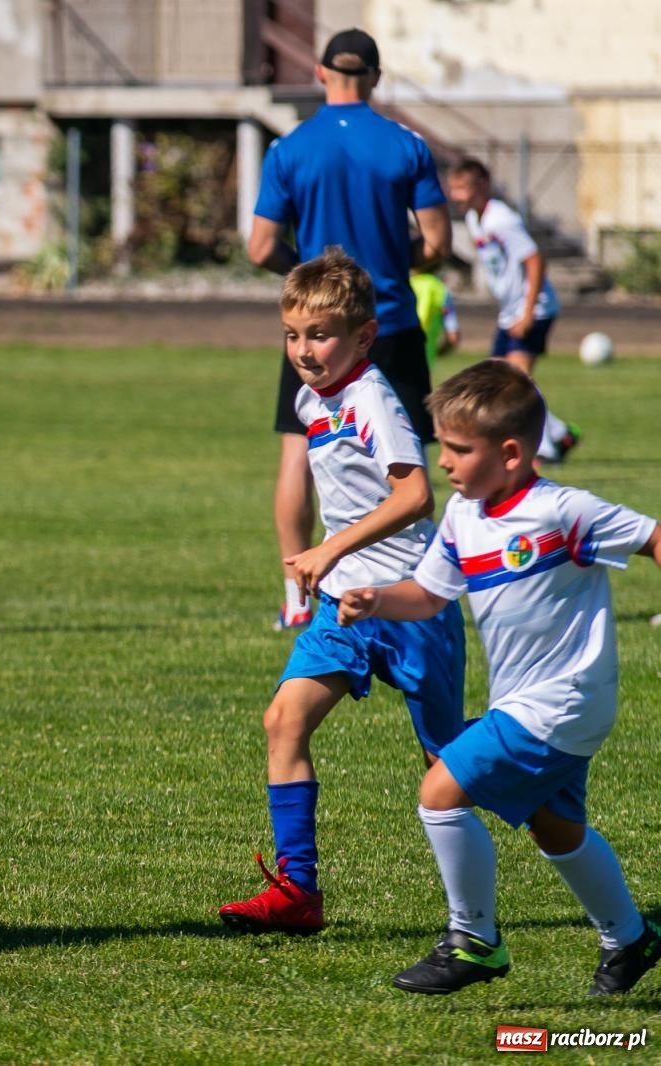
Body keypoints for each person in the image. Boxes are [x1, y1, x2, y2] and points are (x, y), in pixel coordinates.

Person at [338, 359, 661, 996]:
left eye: (459, 450)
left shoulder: (563, 512)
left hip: (562, 700)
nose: (444, 463)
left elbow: (654, 538)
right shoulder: (464, 516)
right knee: (556, 830)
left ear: (510, 453)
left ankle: (474, 940)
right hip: (528, 701)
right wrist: (377, 599)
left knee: (440, 790)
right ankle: (630, 938)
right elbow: (429, 595)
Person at [219, 250, 465, 935]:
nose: (304, 350)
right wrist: (334, 564)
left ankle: (546, 815)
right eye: (292, 335)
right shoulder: (312, 399)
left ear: (364, 337)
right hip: (345, 607)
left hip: (411, 603)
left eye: (321, 335)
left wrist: (330, 547)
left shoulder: (372, 400)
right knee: (284, 720)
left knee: (448, 768)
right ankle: (298, 891)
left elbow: (415, 496)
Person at [248, 27, 452, 631]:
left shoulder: (289, 148)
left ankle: (297, 592)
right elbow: (437, 242)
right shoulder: (407, 145)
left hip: (317, 331)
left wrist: (309, 282)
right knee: (408, 460)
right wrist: (388, 263)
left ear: (319, 73)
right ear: (376, 78)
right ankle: (415, 590)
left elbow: (260, 247)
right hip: (389, 321)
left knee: (298, 452)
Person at [447, 158, 580, 463]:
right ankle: (559, 433)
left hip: (533, 309)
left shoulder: (501, 220)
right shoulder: (475, 219)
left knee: (516, 382)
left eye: (462, 188)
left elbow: (535, 260)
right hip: (511, 311)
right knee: (497, 378)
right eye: (452, 189)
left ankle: (544, 447)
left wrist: (527, 312)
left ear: (482, 185)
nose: (456, 196)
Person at [409, 261, 459, 365]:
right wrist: (438, 352)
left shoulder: (405, 285)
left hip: (397, 348)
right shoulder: (441, 290)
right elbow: (453, 337)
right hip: (425, 356)